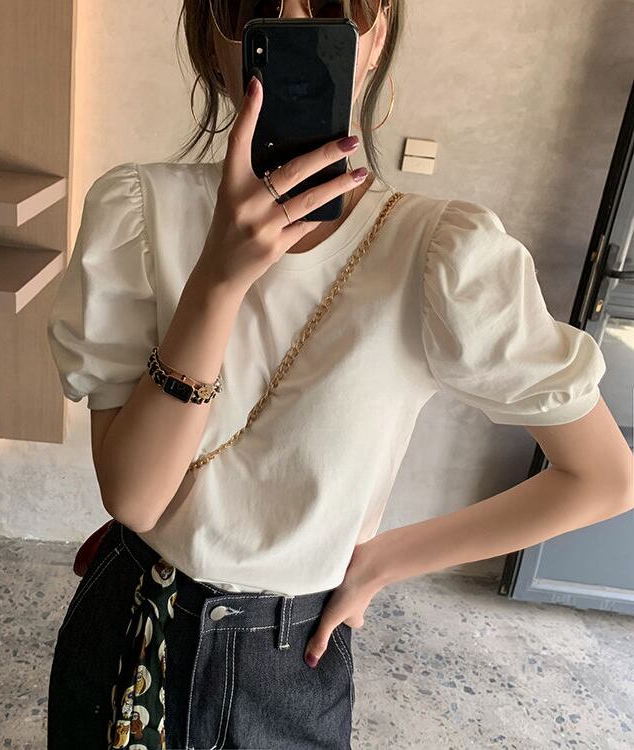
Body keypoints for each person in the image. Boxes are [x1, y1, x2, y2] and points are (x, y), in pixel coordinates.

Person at [45, 2, 633, 749]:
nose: (293, 21)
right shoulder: (137, 211)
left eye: (331, 8)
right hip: (132, 626)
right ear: (212, 44)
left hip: (292, 659)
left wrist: (384, 562)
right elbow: (134, 498)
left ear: (375, 38)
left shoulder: (441, 254)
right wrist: (218, 281)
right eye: (252, 8)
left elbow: (602, 477)